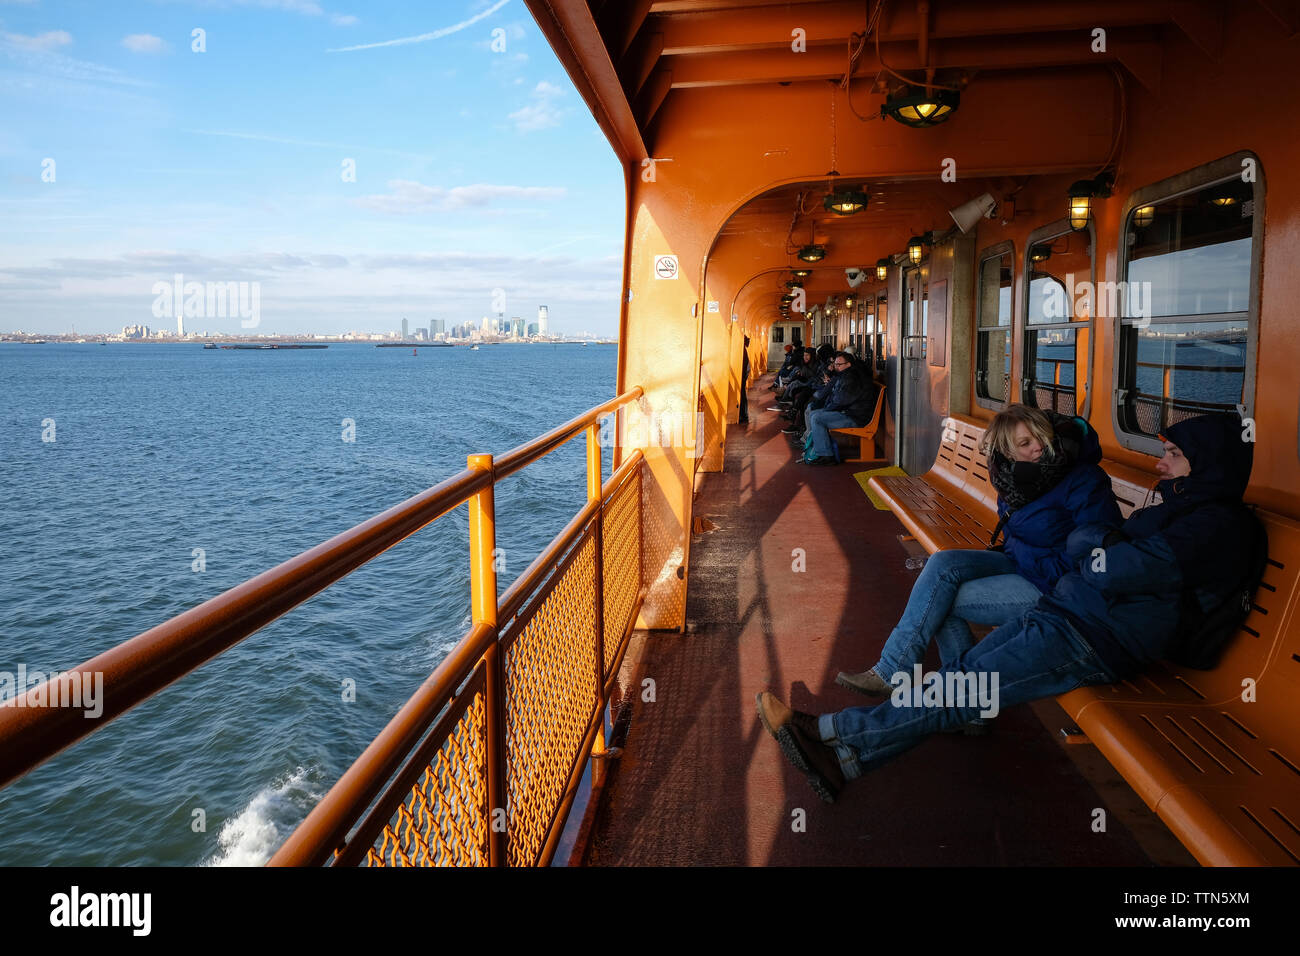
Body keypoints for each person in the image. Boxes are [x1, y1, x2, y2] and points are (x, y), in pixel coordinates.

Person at [757, 412, 1256, 801]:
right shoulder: (1180, 507)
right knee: (960, 682)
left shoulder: (1215, 525)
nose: (1160, 462)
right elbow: (1109, 555)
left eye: (1171, 453)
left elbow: (1114, 565)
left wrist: (1096, 543)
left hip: (1098, 638)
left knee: (960, 688)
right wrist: (1100, 546)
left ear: (1207, 463)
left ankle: (827, 730)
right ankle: (844, 763)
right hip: (1071, 612)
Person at [835, 404, 1120, 698]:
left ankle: (957, 698)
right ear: (1007, 453)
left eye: (1040, 437)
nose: (1038, 448)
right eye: (1025, 444)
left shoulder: (1082, 480)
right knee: (943, 562)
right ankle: (899, 671)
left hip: (1055, 584)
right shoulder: (1014, 477)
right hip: (1022, 562)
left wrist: (1027, 560)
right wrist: (1015, 556)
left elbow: (1095, 554)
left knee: (940, 602)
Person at [799, 352, 880, 464]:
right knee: (814, 414)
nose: (835, 367)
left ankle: (826, 455)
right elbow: (839, 399)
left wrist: (826, 409)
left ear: (849, 364)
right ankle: (818, 448)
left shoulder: (852, 378)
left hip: (857, 417)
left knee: (817, 418)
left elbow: (841, 400)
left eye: (839, 365)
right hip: (851, 412)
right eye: (835, 364)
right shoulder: (846, 375)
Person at [739, 335, 751, 424]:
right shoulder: (743, 350)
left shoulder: (741, 350)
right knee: (742, 395)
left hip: (741, 376)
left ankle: (743, 415)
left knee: (742, 395)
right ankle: (743, 415)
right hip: (743, 375)